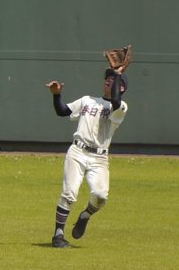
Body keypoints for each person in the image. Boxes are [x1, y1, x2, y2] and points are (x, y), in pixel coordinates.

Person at [46, 67, 129, 248]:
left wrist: (119, 73)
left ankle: (85, 215)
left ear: (121, 87)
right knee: (69, 194)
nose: (108, 79)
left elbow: (115, 99)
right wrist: (56, 95)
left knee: (100, 196)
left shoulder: (121, 107)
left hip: (99, 158)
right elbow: (62, 111)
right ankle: (58, 235)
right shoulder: (87, 100)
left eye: (113, 79)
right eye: (107, 77)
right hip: (77, 151)